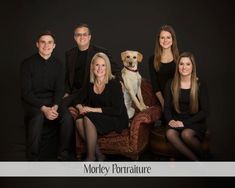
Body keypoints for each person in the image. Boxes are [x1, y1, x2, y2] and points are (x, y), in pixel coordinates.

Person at [20, 31, 74, 160]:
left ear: (54, 45)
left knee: (67, 117)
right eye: (43, 42)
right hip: (33, 102)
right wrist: (44, 108)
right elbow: (26, 93)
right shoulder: (27, 64)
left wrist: (55, 106)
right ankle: (33, 157)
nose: (46, 45)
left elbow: (59, 90)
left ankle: (63, 154)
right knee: (38, 116)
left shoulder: (59, 64)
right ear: (37, 44)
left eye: (49, 42)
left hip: (52, 101)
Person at [73, 52, 129, 161]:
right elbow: (76, 99)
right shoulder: (90, 84)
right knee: (79, 121)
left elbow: (117, 110)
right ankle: (98, 154)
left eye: (103, 65)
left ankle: (90, 157)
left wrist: (91, 109)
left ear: (107, 68)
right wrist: (80, 108)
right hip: (99, 117)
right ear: (92, 66)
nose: (100, 68)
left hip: (116, 118)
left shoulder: (114, 83)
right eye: (97, 65)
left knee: (88, 118)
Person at [63, 23, 121, 108]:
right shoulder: (69, 54)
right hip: (76, 93)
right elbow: (68, 76)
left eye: (84, 34)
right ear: (75, 37)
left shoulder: (101, 51)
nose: (82, 37)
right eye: (78, 35)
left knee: (60, 106)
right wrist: (66, 93)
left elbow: (117, 71)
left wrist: (119, 84)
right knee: (59, 105)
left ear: (89, 37)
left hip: (93, 92)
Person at [164, 52, 208, 161]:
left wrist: (185, 123)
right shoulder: (170, 83)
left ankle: (205, 158)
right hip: (177, 119)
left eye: (188, 64)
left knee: (186, 134)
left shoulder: (199, 84)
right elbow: (166, 108)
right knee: (170, 133)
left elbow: (205, 111)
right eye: (181, 64)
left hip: (194, 121)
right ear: (178, 66)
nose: (184, 67)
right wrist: (170, 121)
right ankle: (197, 162)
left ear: (193, 66)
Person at [149, 25, 179, 116]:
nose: (165, 40)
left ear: (173, 39)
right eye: (162, 38)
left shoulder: (180, 57)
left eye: (168, 37)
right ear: (159, 40)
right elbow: (155, 85)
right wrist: (163, 103)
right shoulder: (152, 59)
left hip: (180, 99)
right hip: (165, 100)